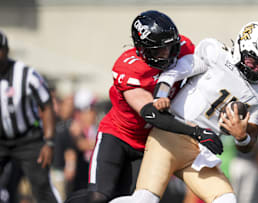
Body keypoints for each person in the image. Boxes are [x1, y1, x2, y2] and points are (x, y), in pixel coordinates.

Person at [110, 21, 258, 203]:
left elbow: (250, 141)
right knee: (144, 199)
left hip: (201, 151)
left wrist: (241, 137)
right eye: (252, 62)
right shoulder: (215, 55)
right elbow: (174, 72)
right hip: (170, 137)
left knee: (227, 200)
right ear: (240, 48)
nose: (257, 70)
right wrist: (161, 95)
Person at [65, 10, 223, 203]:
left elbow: (210, 67)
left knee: (131, 200)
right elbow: (152, 114)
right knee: (98, 197)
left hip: (148, 142)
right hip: (118, 135)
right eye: (158, 50)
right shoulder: (129, 67)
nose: (166, 54)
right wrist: (196, 131)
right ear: (141, 48)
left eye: (169, 47)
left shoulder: (183, 46)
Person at [0, 31, 61, 202]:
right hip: (1, 140)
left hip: (28, 139)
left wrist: (49, 142)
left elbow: (47, 105)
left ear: (6, 50)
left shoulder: (26, 74)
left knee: (40, 185)